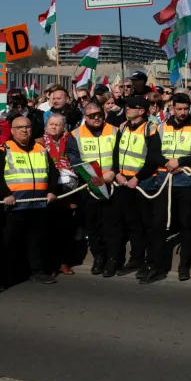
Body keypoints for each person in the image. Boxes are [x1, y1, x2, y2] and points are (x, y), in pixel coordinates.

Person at [0, 115, 58, 287]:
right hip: (14, 206)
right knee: (9, 242)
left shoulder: (41, 148)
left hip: (38, 205)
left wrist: (51, 191)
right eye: (20, 128)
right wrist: (5, 194)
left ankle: (37, 271)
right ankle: (6, 275)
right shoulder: (3, 150)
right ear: (12, 131)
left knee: (36, 241)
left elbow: (53, 173)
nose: (24, 130)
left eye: (27, 127)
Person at [157, 93, 191, 280]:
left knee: (188, 224)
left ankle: (184, 267)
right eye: (178, 109)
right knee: (160, 224)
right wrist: (168, 164)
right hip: (164, 182)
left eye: (185, 109)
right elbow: (155, 154)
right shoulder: (161, 128)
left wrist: (178, 161)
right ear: (172, 108)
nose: (182, 112)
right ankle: (158, 266)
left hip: (188, 182)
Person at [66, 101, 121, 276]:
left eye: (99, 114)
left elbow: (121, 155)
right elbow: (74, 159)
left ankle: (113, 260)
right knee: (93, 225)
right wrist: (90, 177)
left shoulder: (114, 131)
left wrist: (113, 172)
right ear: (85, 117)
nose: (96, 118)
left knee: (112, 225)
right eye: (91, 115)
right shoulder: (75, 135)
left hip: (112, 184)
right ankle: (98, 258)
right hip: (89, 186)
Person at [113, 96, 164, 283]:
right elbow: (116, 152)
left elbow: (153, 157)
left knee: (147, 225)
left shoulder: (150, 129)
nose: (127, 109)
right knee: (132, 224)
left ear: (142, 111)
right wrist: (117, 172)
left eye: (131, 107)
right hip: (124, 181)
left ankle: (151, 263)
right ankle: (135, 259)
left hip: (143, 183)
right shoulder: (123, 126)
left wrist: (137, 177)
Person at [43, 112, 77, 275]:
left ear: (64, 127)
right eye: (51, 124)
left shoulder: (71, 141)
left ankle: (63, 262)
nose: (54, 126)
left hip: (68, 190)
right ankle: (49, 264)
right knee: (48, 228)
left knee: (65, 229)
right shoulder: (39, 142)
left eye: (57, 124)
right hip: (48, 189)